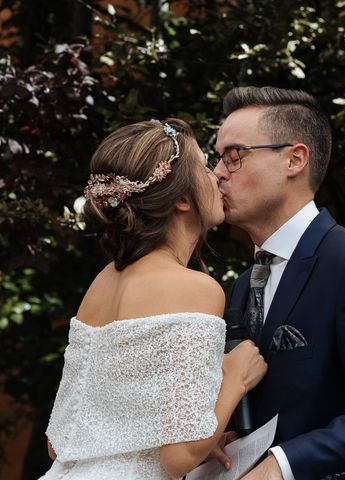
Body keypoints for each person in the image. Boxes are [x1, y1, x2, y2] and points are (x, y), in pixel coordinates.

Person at [210, 86, 345, 480]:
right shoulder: (245, 284)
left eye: (235, 155)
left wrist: (283, 466)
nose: (218, 173)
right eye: (218, 158)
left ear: (294, 159)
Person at [39, 119, 267, 479]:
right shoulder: (195, 288)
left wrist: (206, 437)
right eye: (205, 167)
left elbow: (59, 441)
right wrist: (235, 378)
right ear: (180, 199)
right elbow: (179, 455)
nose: (217, 177)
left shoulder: (103, 281)